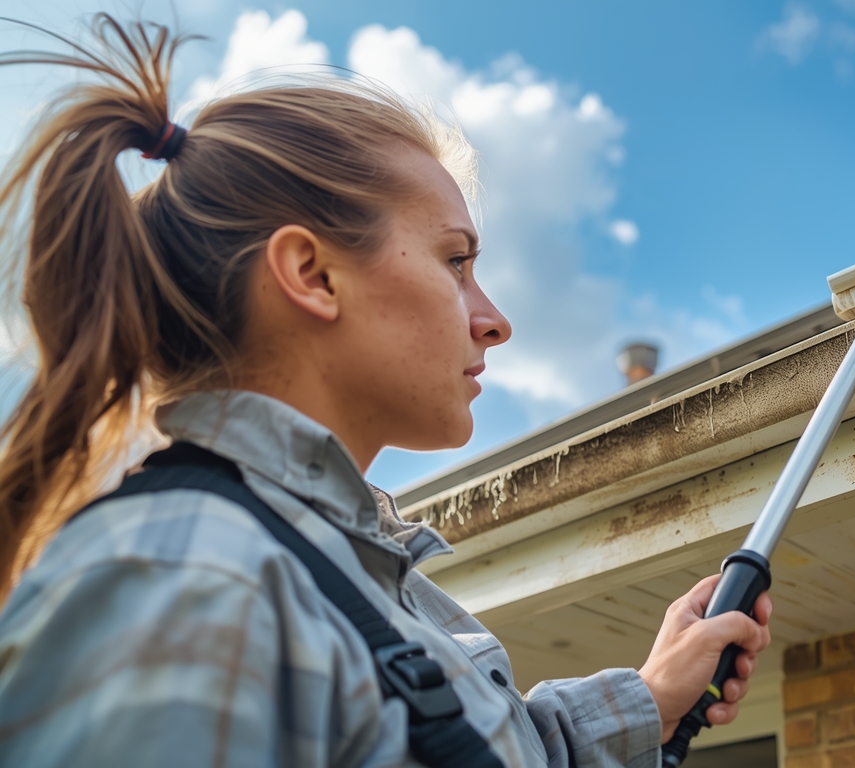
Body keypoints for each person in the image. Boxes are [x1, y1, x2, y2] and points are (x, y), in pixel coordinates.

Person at [0, 16, 771, 767]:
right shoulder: (181, 585)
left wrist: (652, 696)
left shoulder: (335, 577)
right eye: (456, 261)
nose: (495, 321)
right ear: (311, 275)